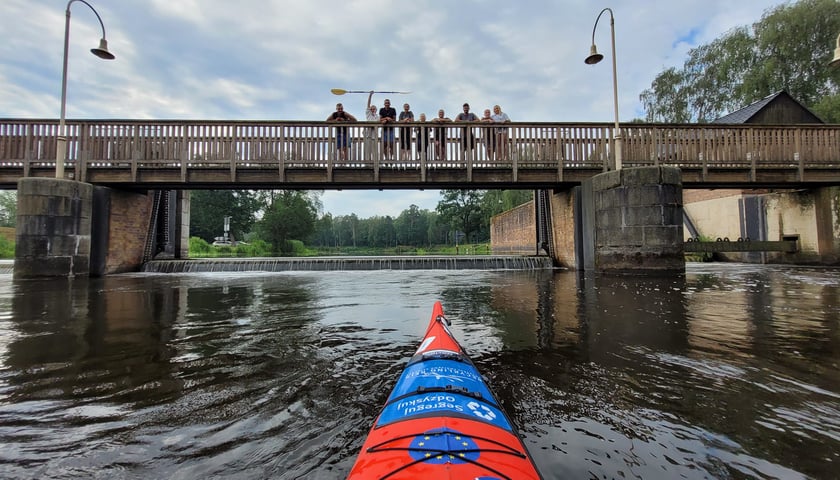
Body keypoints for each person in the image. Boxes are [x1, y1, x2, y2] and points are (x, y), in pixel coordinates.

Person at [364, 92, 379, 163]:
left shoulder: (377, 117)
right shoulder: (368, 114)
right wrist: (370, 95)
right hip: (368, 135)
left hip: (374, 135)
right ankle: (367, 163)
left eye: (374, 109)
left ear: (376, 110)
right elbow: (368, 104)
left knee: (375, 150)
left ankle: (375, 163)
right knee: (367, 149)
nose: (372, 110)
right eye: (371, 109)